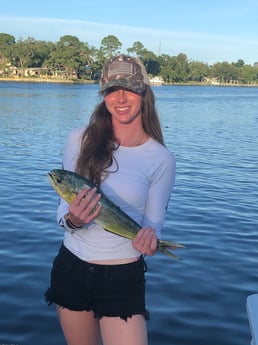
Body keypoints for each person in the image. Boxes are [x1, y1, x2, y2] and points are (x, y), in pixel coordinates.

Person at [45, 54, 176, 345]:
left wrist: (150, 241)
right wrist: (73, 220)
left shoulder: (161, 159)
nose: (120, 98)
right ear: (103, 95)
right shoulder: (79, 139)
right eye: (111, 90)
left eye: (129, 88)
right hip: (71, 268)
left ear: (144, 92)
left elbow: (154, 223)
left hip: (123, 277)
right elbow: (62, 214)